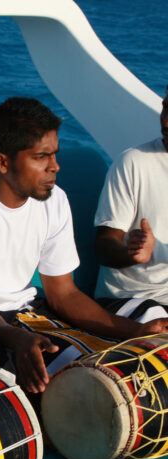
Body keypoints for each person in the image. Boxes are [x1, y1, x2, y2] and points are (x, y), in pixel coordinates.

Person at [0, 97, 168, 397]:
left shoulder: (54, 200)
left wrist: (135, 333)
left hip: (24, 312)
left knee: (118, 363)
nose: (55, 166)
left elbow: (63, 294)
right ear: (2, 162)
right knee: (74, 377)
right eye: (41, 157)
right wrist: (18, 339)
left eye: (55, 155)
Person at [94, 86, 168, 320]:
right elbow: (105, 245)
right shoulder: (133, 162)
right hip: (130, 297)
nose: (165, 123)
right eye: (166, 108)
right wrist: (130, 252)